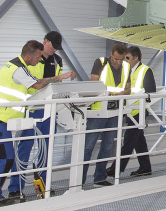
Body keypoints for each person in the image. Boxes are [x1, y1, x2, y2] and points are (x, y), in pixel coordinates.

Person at [0, 41, 69, 204]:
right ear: (28, 56)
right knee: (5, 159)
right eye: (38, 57)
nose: (40, 60)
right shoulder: (19, 70)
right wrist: (59, 78)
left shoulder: (14, 66)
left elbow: (32, 87)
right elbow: (38, 84)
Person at [14, 31, 73, 193]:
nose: (54, 50)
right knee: (24, 149)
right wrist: (60, 77)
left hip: (49, 109)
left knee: (46, 148)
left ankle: (42, 185)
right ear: (45, 41)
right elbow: (36, 84)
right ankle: (15, 188)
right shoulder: (31, 61)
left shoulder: (57, 60)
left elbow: (57, 84)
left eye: (57, 47)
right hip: (31, 109)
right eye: (53, 46)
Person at [83, 43, 130, 186]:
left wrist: (121, 94)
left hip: (114, 111)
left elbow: (128, 88)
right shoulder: (101, 63)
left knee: (107, 146)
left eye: (121, 59)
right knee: (88, 147)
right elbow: (93, 83)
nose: (118, 62)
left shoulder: (126, 67)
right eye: (116, 59)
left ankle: (100, 177)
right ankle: (79, 181)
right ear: (111, 54)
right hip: (98, 111)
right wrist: (107, 93)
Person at [113, 46, 155, 177]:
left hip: (139, 111)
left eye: (127, 58)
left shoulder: (145, 70)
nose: (125, 60)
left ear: (136, 58)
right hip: (130, 110)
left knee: (129, 140)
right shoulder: (127, 71)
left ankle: (116, 169)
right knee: (138, 140)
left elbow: (150, 92)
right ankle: (145, 167)